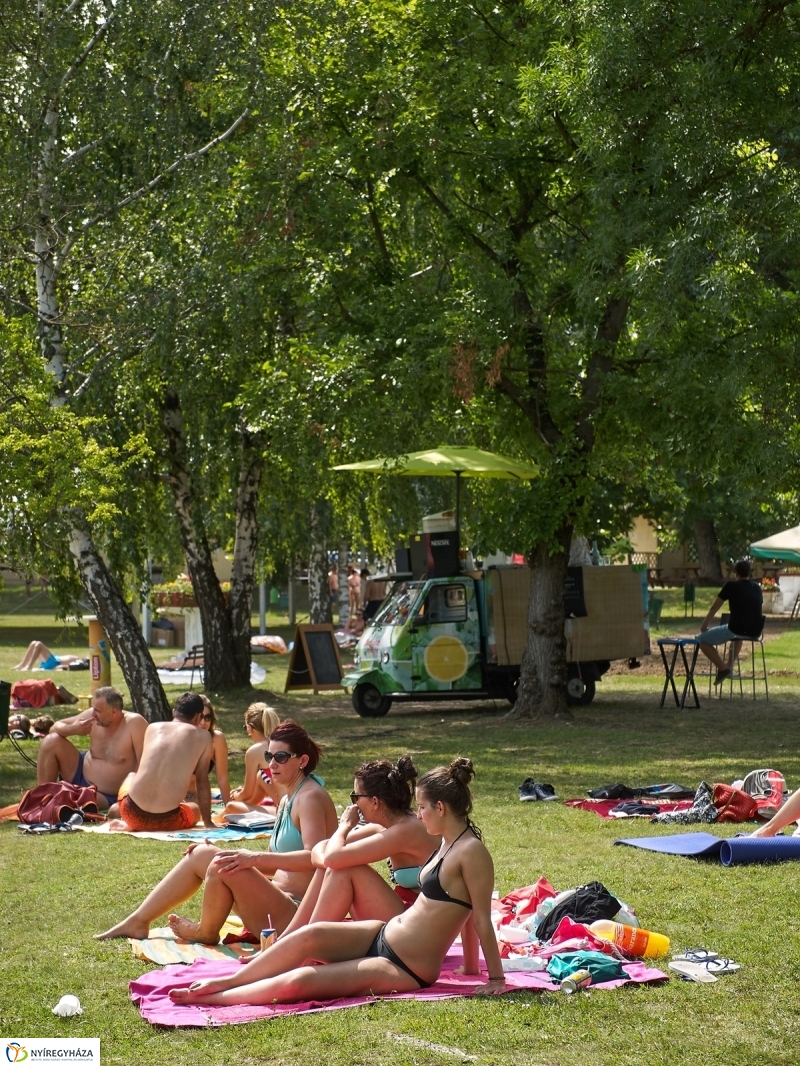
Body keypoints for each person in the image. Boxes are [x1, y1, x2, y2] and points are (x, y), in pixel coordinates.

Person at [167, 758, 505, 1005]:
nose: (419, 813)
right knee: (309, 937)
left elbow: (478, 917)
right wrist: (469, 967)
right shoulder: (446, 842)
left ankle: (217, 997)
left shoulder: (471, 852)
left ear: (441, 808)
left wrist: (494, 977)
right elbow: (325, 858)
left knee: (299, 983)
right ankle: (227, 980)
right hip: (384, 933)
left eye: (423, 807)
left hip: (404, 964)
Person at [95, 720, 337, 941]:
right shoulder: (289, 797)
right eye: (269, 755)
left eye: (281, 757)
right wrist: (234, 856)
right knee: (202, 854)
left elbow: (316, 859)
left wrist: (251, 858)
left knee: (219, 863)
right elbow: (279, 865)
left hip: (297, 915)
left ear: (302, 760)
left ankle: (205, 931)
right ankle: (138, 921)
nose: (271, 764)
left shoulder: (309, 798)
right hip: (276, 901)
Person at [281, 756, 438, 936]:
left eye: (355, 796)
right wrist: (330, 859)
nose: (353, 804)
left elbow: (331, 856)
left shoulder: (406, 830)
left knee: (345, 868)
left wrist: (345, 827)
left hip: (422, 929)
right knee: (338, 865)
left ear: (375, 802)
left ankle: (303, 945)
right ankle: (290, 940)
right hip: (406, 915)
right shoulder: (385, 826)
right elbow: (321, 848)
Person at [108, 692, 214, 833]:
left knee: (132, 776)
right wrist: (208, 822)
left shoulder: (153, 728)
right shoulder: (204, 736)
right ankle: (135, 823)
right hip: (167, 821)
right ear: (198, 717)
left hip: (131, 813)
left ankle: (131, 824)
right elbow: (202, 781)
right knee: (195, 809)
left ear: (174, 712)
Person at [36, 686, 146, 810]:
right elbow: (54, 728)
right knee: (50, 741)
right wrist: (72, 729)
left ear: (113, 712)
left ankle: (60, 797)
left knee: (74, 801)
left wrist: (130, 798)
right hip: (80, 772)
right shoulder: (92, 716)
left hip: (106, 794)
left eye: (97, 711)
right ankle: (42, 800)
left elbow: (147, 766)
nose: (93, 714)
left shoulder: (135, 724)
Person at [697, 559, 764, 685]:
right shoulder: (756, 587)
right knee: (739, 635)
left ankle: (723, 669)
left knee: (701, 640)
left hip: (736, 628)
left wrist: (704, 625)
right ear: (750, 573)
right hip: (755, 631)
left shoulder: (731, 586)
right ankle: (729, 667)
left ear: (735, 573)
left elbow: (714, 607)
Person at [223, 703, 281, 814]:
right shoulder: (285, 743)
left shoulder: (256, 751)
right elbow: (253, 799)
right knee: (260, 777)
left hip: (288, 813)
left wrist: (235, 796)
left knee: (231, 807)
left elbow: (247, 794)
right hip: (300, 806)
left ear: (250, 728)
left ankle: (213, 821)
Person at [185, 696, 230, 804]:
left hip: (200, 797)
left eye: (207, 717)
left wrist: (229, 807)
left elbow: (222, 778)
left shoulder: (216, 739)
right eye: (200, 717)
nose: (203, 722)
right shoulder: (182, 738)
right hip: (178, 797)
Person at [13, 641, 88, 671]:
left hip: (54, 662)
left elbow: (70, 666)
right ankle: (22, 665)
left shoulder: (80, 662)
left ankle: (29, 666)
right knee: (33, 643)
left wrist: (57, 667)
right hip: (51, 661)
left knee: (38, 644)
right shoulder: (77, 658)